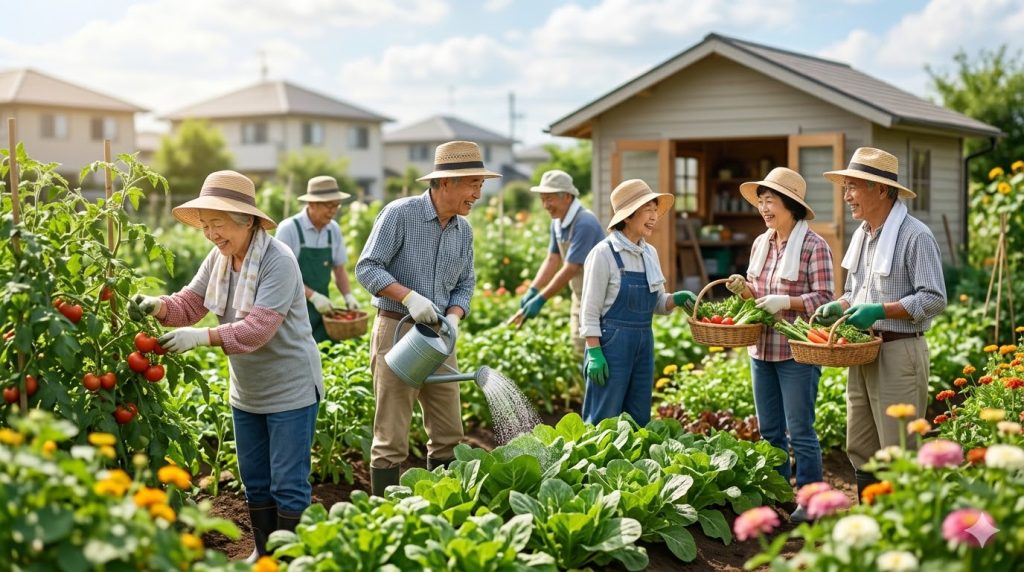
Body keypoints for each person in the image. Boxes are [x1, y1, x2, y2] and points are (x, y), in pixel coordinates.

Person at [127, 170, 322, 560]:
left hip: (291, 390)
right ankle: (265, 553)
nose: (212, 234)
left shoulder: (277, 261)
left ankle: (289, 562)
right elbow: (190, 304)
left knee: (288, 484)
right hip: (247, 393)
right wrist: (157, 305)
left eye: (219, 224)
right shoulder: (218, 259)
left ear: (247, 220)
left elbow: (258, 329)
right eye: (206, 225)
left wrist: (201, 338)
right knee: (255, 481)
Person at [355, 140, 499, 496]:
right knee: (390, 436)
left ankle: (441, 505)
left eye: (481, 185)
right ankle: (381, 516)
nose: (478, 194)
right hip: (397, 331)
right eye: (474, 184)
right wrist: (408, 296)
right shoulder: (399, 215)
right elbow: (367, 268)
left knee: (449, 432)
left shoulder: (462, 230)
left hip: (440, 338)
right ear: (446, 182)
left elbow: (466, 282)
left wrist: (454, 315)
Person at [813, 147, 946, 499]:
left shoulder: (915, 236)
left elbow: (934, 298)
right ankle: (871, 530)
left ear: (882, 190)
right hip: (863, 351)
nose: (847, 196)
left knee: (899, 450)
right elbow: (854, 293)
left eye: (854, 187)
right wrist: (838, 305)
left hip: (899, 353)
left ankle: (903, 536)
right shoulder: (862, 235)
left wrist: (882, 311)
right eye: (846, 188)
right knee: (860, 445)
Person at [724, 167, 834, 522]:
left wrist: (786, 302)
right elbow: (758, 296)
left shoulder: (814, 246)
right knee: (769, 431)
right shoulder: (761, 243)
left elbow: (825, 299)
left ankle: (811, 502)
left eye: (770, 201)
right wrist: (744, 289)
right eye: (761, 202)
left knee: (800, 430)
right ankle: (777, 497)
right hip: (761, 349)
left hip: (796, 353)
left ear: (791, 205)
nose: (764, 208)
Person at [579, 179, 696, 427]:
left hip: (643, 341)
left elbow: (656, 304)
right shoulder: (604, 254)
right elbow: (589, 311)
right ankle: (593, 463)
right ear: (628, 216)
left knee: (639, 415)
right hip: (611, 344)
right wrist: (594, 351)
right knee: (604, 417)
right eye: (648, 210)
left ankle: (632, 465)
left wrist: (677, 299)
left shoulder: (649, 253)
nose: (654, 216)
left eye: (655, 210)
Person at [511, 169, 604, 354]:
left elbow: (570, 268)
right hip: (580, 296)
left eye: (550, 198)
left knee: (597, 351)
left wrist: (541, 299)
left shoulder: (585, 222)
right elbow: (553, 259)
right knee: (579, 348)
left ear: (568, 197)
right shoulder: (558, 222)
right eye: (542, 199)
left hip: (601, 298)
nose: (545, 205)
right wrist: (533, 290)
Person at [275, 175, 360, 343]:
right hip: (291, 309)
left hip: (321, 310)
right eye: (329, 206)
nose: (333, 211)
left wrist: (348, 296)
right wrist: (313, 296)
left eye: (336, 206)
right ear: (312, 204)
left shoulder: (333, 230)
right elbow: (282, 275)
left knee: (325, 352)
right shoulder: (289, 229)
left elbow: (339, 269)